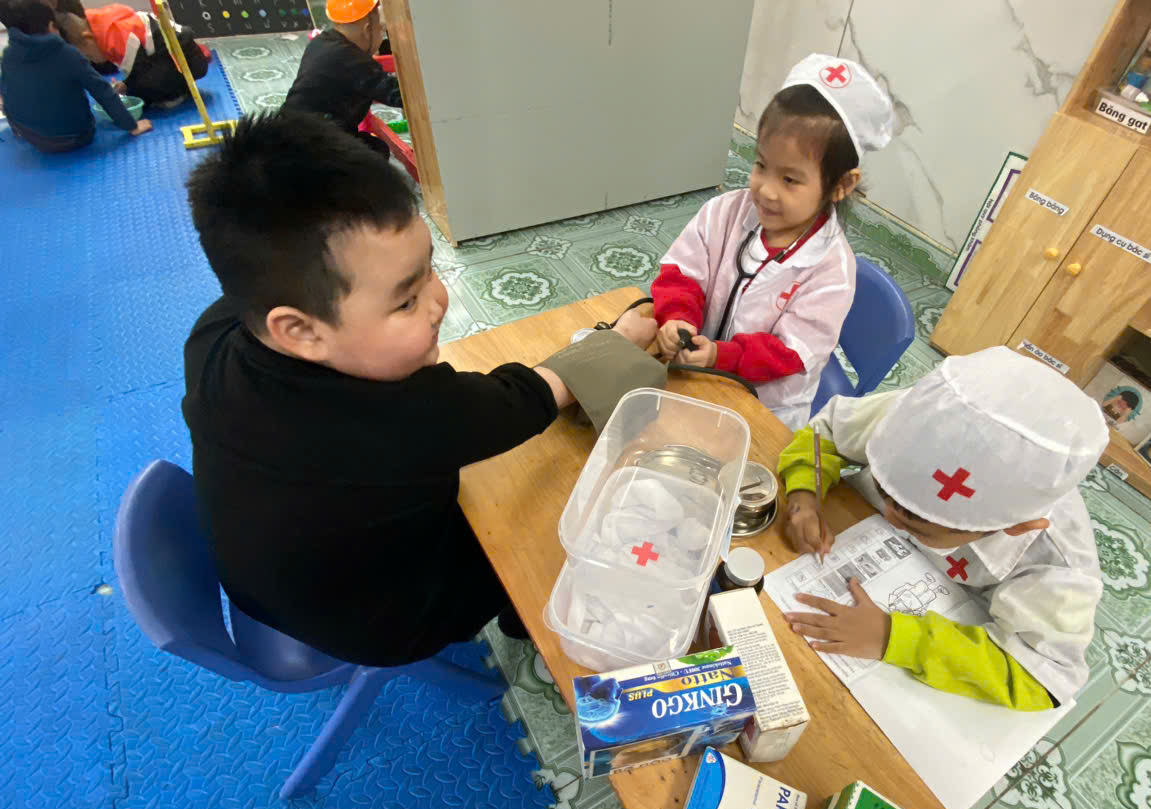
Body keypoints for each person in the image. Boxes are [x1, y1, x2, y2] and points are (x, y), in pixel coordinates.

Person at [183, 110, 659, 668]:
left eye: (430, 269)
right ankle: (519, 615)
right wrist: (615, 343)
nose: (438, 302)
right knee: (545, 516)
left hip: (267, 586)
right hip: (385, 624)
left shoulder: (216, 331)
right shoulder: (401, 419)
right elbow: (524, 398)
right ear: (300, 330)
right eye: (406, 300)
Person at [777, 347, 1109, 711]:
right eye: (885, 493)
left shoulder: (1060, 568)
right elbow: (827, 431)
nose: (890, 517)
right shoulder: (921, 421)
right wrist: (805, 494)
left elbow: (1044, 680)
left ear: (1015, 528)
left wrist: (894, 638)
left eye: (916, 523)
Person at [647, 54, 893, 429]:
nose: (765, 190)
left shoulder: (832, 271)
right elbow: (683, 273)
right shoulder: (724, 212)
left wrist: (720, 356)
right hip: (697, 373)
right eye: (761, 165)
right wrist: (678, 318)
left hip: (763, 406)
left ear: (841, 184)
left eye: (789, 180)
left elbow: (788, 352)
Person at [0, 0, 150, 152]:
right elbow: (102, 90)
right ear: (52, 26)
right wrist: (132, 125)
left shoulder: (7, 55)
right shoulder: (66, 54)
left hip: (31, 137)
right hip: (74, 137)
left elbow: (6, 93)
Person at [282, 0, 402, 158]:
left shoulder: (322, 42)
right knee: (374, 153)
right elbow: (397, 95)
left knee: (372, 145)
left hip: (287, 131)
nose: (382, 37)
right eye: (381, 31)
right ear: (367, 30)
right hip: (312, 144)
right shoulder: (354, 60)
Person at [56, 3, 209, 107]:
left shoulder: (117, 38)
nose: (91, 60)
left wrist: (128, 87)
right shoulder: (97, 24)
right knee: (141, 80)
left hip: (190, 60)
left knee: (145, 86)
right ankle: (178, 86)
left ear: (88, 38)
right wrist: (126, 84)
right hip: (174, 53)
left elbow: (142, 75)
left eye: (88, 55)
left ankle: (176, 94)